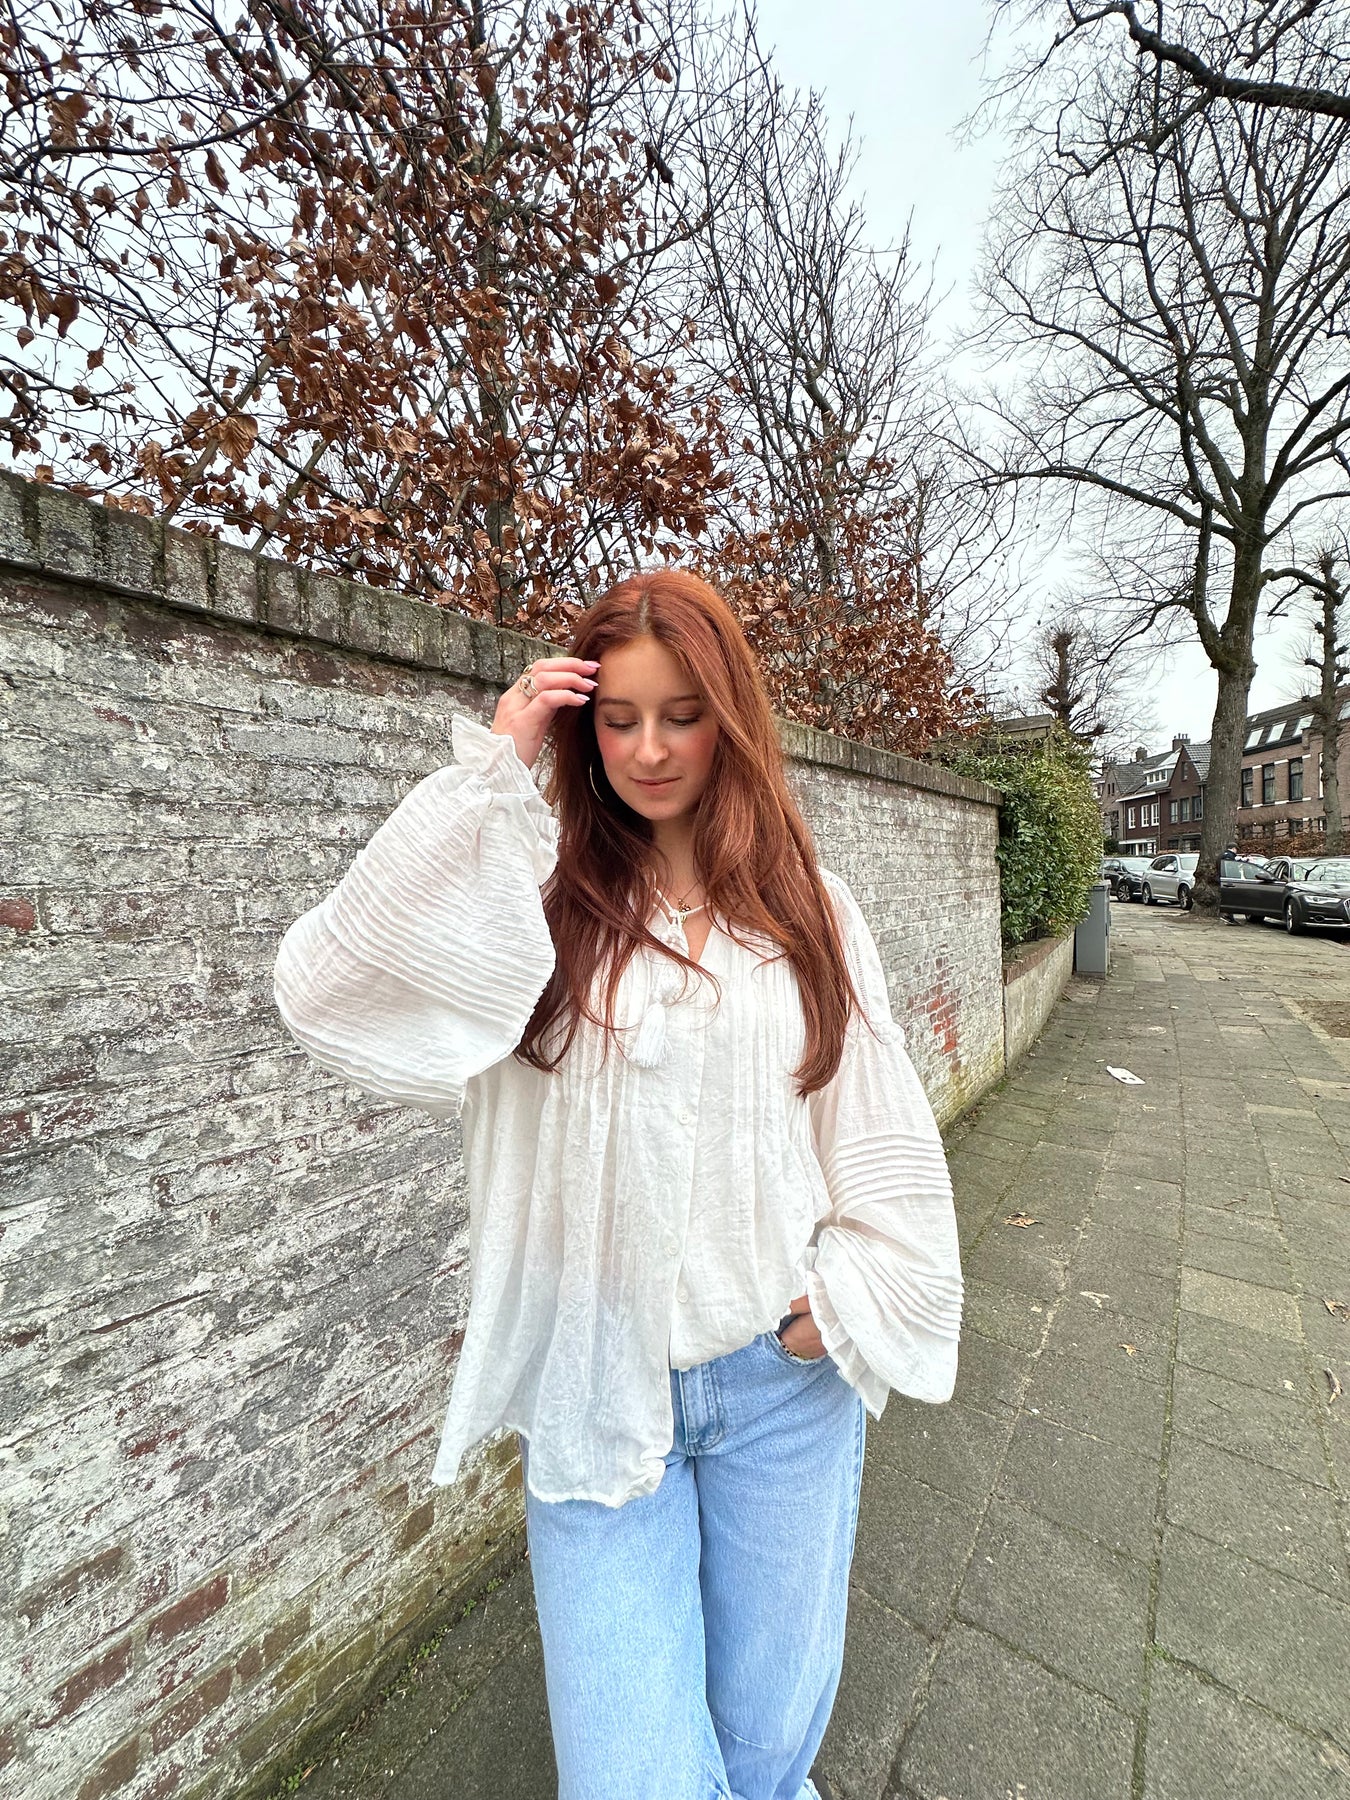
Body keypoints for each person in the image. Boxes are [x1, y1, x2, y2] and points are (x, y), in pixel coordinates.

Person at [272, 571, 963, 1800]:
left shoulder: (811, 914)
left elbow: (874, 1114)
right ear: (584, 729)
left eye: (683, 715)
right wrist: (492, 772)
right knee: (630, 1775)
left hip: (779, 1383)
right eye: (619, 717)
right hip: (596, 1385)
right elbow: (328, 989)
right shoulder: (537, 910)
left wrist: (848, 1299)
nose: (650, 749)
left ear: (730, 720)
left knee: (766, 1749)